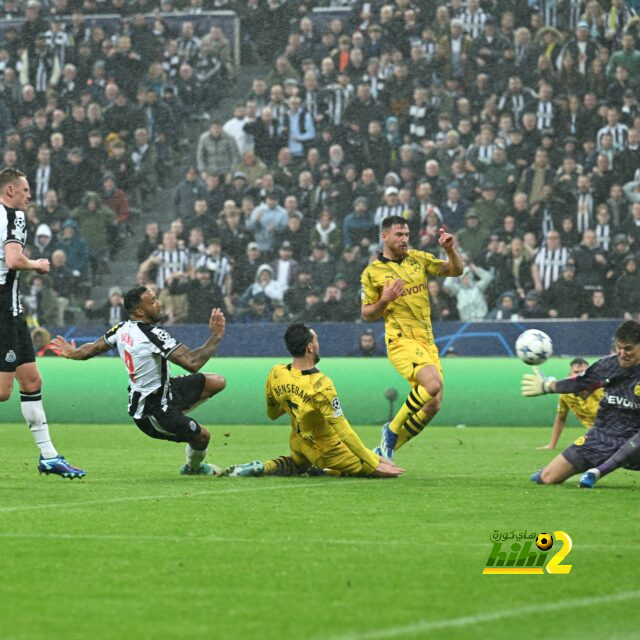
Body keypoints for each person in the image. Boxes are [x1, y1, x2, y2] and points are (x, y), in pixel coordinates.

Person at [51, 286, 227, 476]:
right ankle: (193, 469)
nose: (158, 304)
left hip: (164, 390)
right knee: (203, 437)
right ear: (140, 311)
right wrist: (216, 337)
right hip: (153, 411)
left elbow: (91, 349)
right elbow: (192, 363)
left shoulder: (122, 328)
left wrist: (73, 353)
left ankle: (179, 410)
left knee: (217, 381)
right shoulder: (152, 335)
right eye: (152, 301)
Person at [223, 323, 404, 478]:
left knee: (297, 465)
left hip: (299, 443)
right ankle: (327, 470)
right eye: (316, 340)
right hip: (328, 451)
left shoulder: (276, 373)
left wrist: (296, 403)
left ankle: (261, 467)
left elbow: (272, 414)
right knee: (380, 471)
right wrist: (374, 463)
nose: (318, 344)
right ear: (310, 347)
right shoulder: (320, 385)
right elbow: (344, 432)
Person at [0, 167, 85, 479]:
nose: (29, 196)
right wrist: (36, 264)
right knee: (3, 391)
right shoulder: (13, 217)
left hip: (12, 307)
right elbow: (13, 260)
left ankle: (49, 456)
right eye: (24, 190)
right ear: (9, 191)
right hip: (3, 309)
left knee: (32, 381)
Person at [360, 215, 463, 460]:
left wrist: (450, 250)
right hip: (400, 340)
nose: (405, 239)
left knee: (433, 403)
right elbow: (366, 315)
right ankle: (391, 429)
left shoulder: (418, 259)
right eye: (399, 235)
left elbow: (455, 271)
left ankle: (386, 452)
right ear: (384, 236)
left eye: (407, 235)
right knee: (433, 385)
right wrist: (384, 300)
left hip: (426, 341)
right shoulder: (372, 273)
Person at [523, 321, 640, 488]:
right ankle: (587, 467)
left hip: (634, 440)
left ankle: (599, 470)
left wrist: (600, 470)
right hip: (602, 436)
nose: (622, 353)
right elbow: (580, 382)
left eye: (628, 349)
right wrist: (547, 387)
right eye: (618, 347)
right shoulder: (608, 364)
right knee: (546, 478)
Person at [537, 358, 604, 450]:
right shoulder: (565, 394)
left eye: (584, 372)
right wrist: (552, 445)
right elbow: (560, 418)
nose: (580, 375)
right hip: (595, 435)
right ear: (570, 375)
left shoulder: (602, 389)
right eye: (576, 372)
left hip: (613, 432)